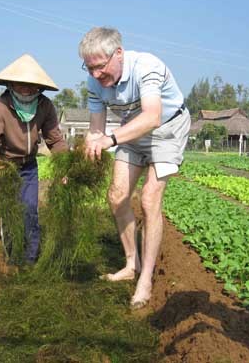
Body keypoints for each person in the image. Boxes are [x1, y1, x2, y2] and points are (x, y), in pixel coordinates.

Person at [78, 27, 191, 309]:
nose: (94, 75)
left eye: (99, 67)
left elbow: (152, 116)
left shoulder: (147, 67)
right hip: (131, 132)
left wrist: (111, 139)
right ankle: (132, 264)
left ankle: (146, 279)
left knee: (150, 199)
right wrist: (79, 163)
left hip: (166, 129)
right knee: (117, 196)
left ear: (119, 54)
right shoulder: (95, 83)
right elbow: (95, 130)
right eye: (88, 67)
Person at [0, 54, 68, 265]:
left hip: (28, 165)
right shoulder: (1, 107)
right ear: (11, 84)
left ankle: (30, 259)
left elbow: (55, 139)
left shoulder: (44, 106)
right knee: (11, 213)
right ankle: (12, 257)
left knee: (30, 210)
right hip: (5, 166)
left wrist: (65, 165)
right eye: (22, 85)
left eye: (33, 86)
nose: (27, 90)